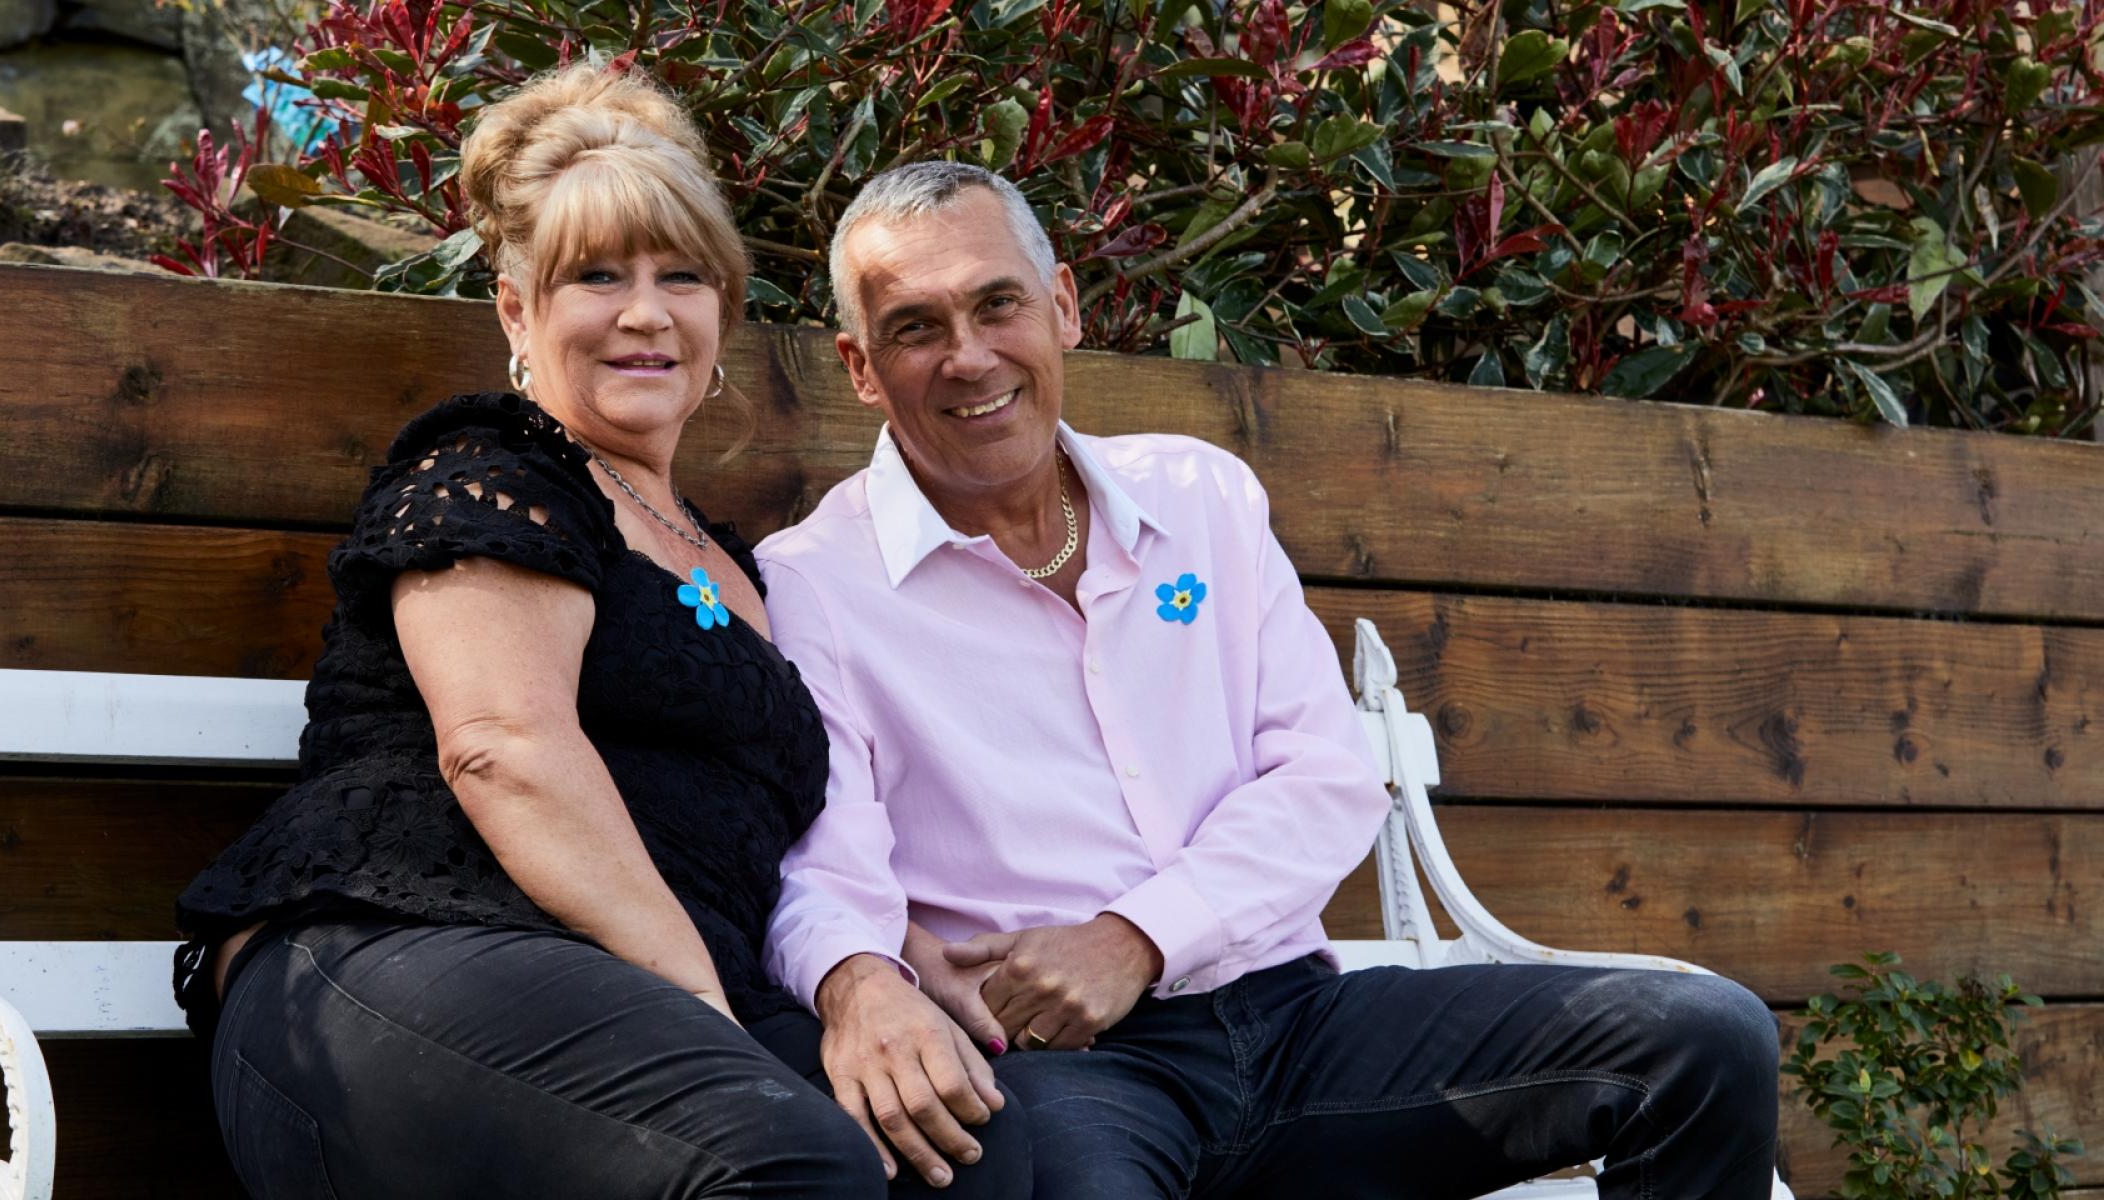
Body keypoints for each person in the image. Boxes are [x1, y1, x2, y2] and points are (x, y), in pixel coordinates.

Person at [755, 159, 1783, 1199]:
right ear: (860, 366)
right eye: (917, 328)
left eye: (996, 303)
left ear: (1062, 305)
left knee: (1701, 1040)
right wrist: (856, 986)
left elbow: (1323, 776)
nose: (969, 357)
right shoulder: (819, 581)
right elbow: (824, 870)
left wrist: (1136, 939)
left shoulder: (1199, 497)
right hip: (1064, 1072)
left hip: (1298, 1027)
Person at [172, 70, 1027, 1198]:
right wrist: (721, 1024)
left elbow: (787, 848)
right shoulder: (498, 472)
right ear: (518, 310)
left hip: (644, 1008)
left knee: (984, 1161)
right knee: (782, 1154)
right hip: (400, 960)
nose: (645, 311)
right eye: (596, 276)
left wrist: (879, 972)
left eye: (682, 276)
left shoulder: (740, 567)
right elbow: (504, 753)